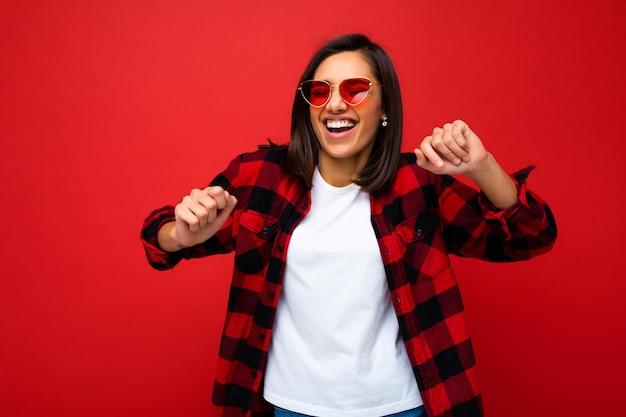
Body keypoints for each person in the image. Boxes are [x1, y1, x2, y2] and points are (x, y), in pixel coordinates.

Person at [141, 33, 557, 417]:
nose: (335, 104)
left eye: (355, 89)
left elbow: (529, 237)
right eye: (320, 92)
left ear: (385, 108)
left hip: (400, 407)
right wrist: (180, 234)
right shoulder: (259, 177)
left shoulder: (418, 183)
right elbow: (157, 240)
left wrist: (482, 167)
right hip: (286, 406)